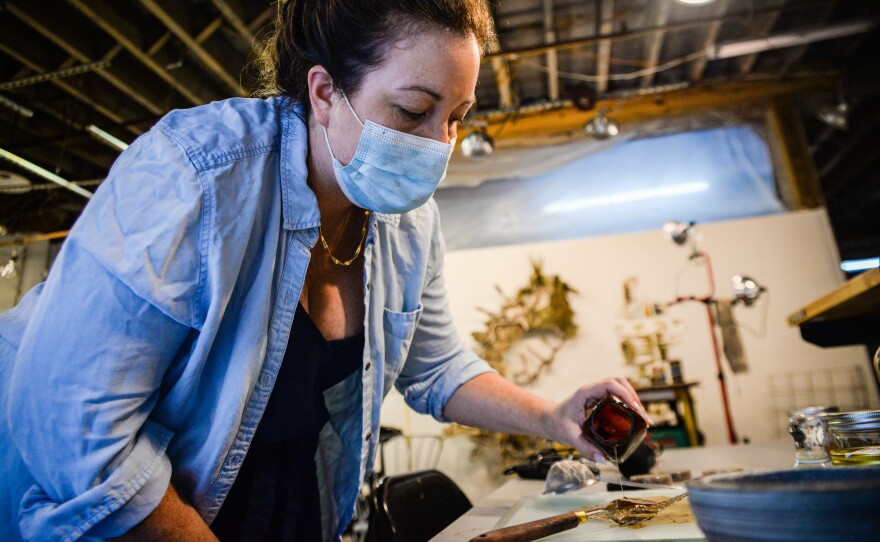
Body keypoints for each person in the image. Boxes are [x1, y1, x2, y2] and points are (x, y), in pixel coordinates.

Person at [0, 1, 649, 540]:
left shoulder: (407, 223)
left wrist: (554, 417)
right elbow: (75, 430)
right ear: (324, 93)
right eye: (412, 110)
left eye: (455, 117)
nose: (438, 146)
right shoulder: (194, 177)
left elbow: (437, 366)